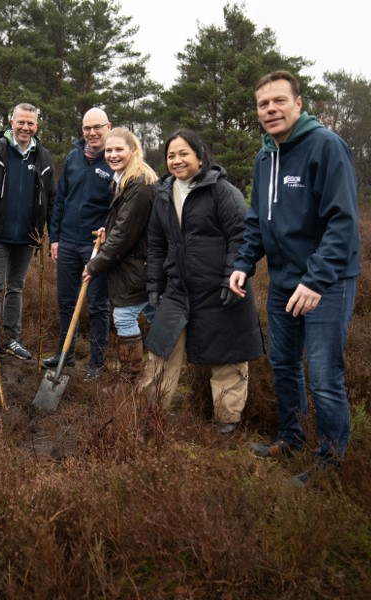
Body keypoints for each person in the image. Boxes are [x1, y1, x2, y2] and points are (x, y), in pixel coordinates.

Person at [229, 71, 361, 485]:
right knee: (283, 363)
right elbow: (258, 219)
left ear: (298, 104)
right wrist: (243, 262)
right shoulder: (265, 156)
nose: (271, 109)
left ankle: (332, 462)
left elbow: (342, 223)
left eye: (279, 101)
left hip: (327, 282)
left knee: (323, 375)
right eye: (263, 104)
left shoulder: (326, 146)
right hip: (285, 280)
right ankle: (291, 436)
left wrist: (316, 279)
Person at [142, 129, 264, 434]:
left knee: (228, 357)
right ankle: (152, 413)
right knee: (161, 351)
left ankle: (227, 420)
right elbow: (156, 244)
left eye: (184, 153)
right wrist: (155, 285)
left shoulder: (222, 191)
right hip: (178, 289)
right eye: (171, 155)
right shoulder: (163, 195)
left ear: (200, 156)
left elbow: (242, 235)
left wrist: (230, 278)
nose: (177, 160)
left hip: (221, 288)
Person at [0, 103, 56, 373]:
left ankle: (12, 338)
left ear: (36, 126)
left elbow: (52, 198)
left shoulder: (43, 156)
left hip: (27, 236)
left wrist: (49, 234)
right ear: (11, 121)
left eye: (30, 123)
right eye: (20, 122)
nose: (25, 127)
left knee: (16, 288)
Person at [82, 127, 157, 384]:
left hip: (137, 265)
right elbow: (125, 223)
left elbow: (125, 233)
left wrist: (94, 265)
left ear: (133, 150)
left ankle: (131, 378)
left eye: (118, 150)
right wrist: (108, 228)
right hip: (135, 264)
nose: (112, 155)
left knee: (125, 315)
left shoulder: (138, 183)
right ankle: (156, 372)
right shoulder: (123, 179)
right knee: (153, 313)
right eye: (109, 150)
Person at [44, 108, 113, 380]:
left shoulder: (114, 161)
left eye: (97, 127)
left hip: (95, 246)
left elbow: (119, 207)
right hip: (68, 244)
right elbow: (60, 200)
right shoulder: (73, 158)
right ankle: (66, 354)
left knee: (97, 305)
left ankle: (96, 362)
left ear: (109, 127)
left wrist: (109, 236)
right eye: (87, 128)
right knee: (65, 301)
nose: (92, 133)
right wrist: (56, 238)